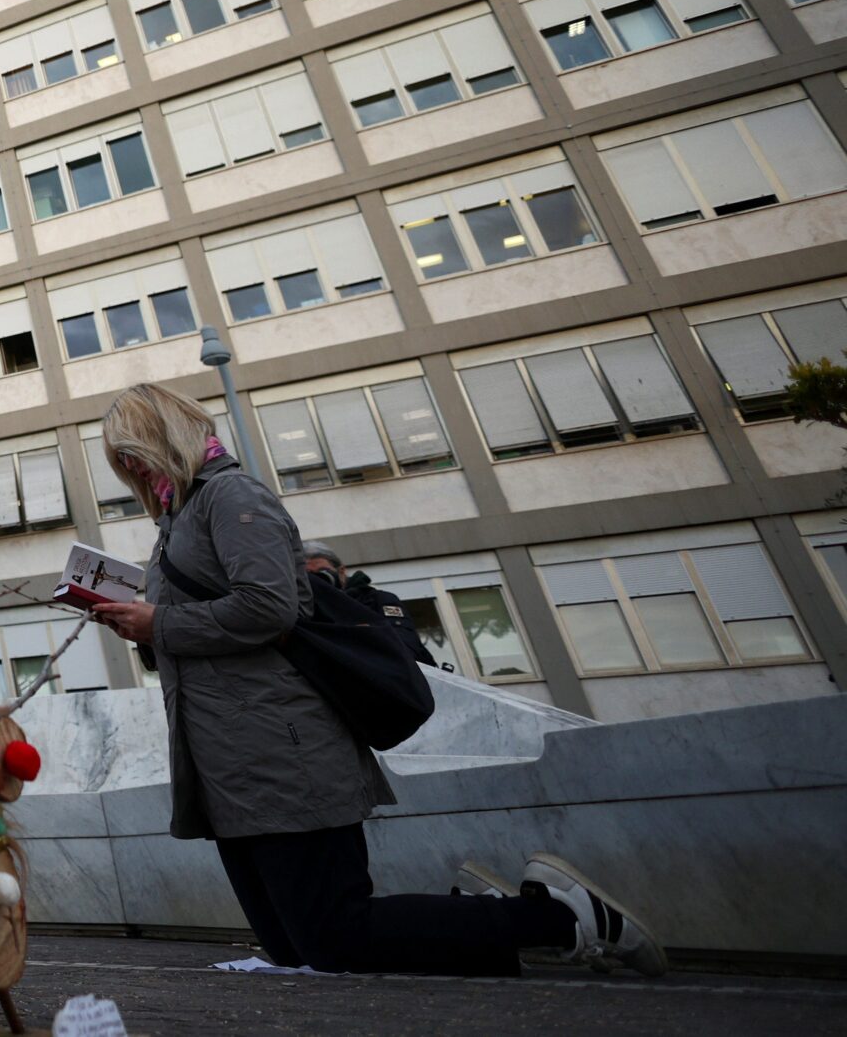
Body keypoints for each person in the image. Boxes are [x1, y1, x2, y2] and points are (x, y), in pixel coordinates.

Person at [86, 384, 665, 978]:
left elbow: (269, 608)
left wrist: (162, 622)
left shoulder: (230, 496)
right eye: (119, 460)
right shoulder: (176, 518)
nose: (128, 468)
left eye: (132, 451)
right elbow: (202, 631)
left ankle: (565, 921)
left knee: (336, 937)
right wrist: (143, 629)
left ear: (165, 438)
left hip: (278, 749)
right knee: (295, 946)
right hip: (225, 758)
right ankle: (480, 920)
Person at [304, 540, 436, 667]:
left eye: (322, 573)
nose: (318, 582)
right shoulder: (305, 612)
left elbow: (405, 648)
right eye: (310, 577)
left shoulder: (378, 600)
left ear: (341, 572)